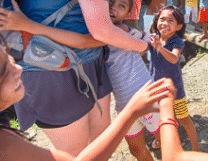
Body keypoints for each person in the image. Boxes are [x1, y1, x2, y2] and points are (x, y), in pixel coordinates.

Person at [12, 0, 157, 156]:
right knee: (78, 153)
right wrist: (145, 46)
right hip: (53, 67)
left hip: (83, 61)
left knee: (100, 144)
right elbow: (102, 30)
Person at [0, 0, 161, 160]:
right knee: (137, 148)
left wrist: (29, 26)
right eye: (110, 2)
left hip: (140, 95)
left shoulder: (120, 32)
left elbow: (84, 42)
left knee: (161, 138)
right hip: (125, 102)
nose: (18, 68)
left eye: (121, 6)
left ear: (129, 13)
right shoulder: (100, 31)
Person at [0, 42, 174, 160]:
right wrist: (131, 111)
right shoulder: (4, 145)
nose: (19, 68)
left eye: (10, 60)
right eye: (5, 72)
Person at [147, 6, 200, 151]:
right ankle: (163, 142)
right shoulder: (153, 38)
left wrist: (159, 47)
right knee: (162, 118)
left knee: (183, 118)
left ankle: (196, 148)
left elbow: (174, 58)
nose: (165, 23)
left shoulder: (177, 42)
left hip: (175, 91)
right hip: (157, 88)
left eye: (171, 21)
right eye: (162, 19)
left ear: (179, 26)